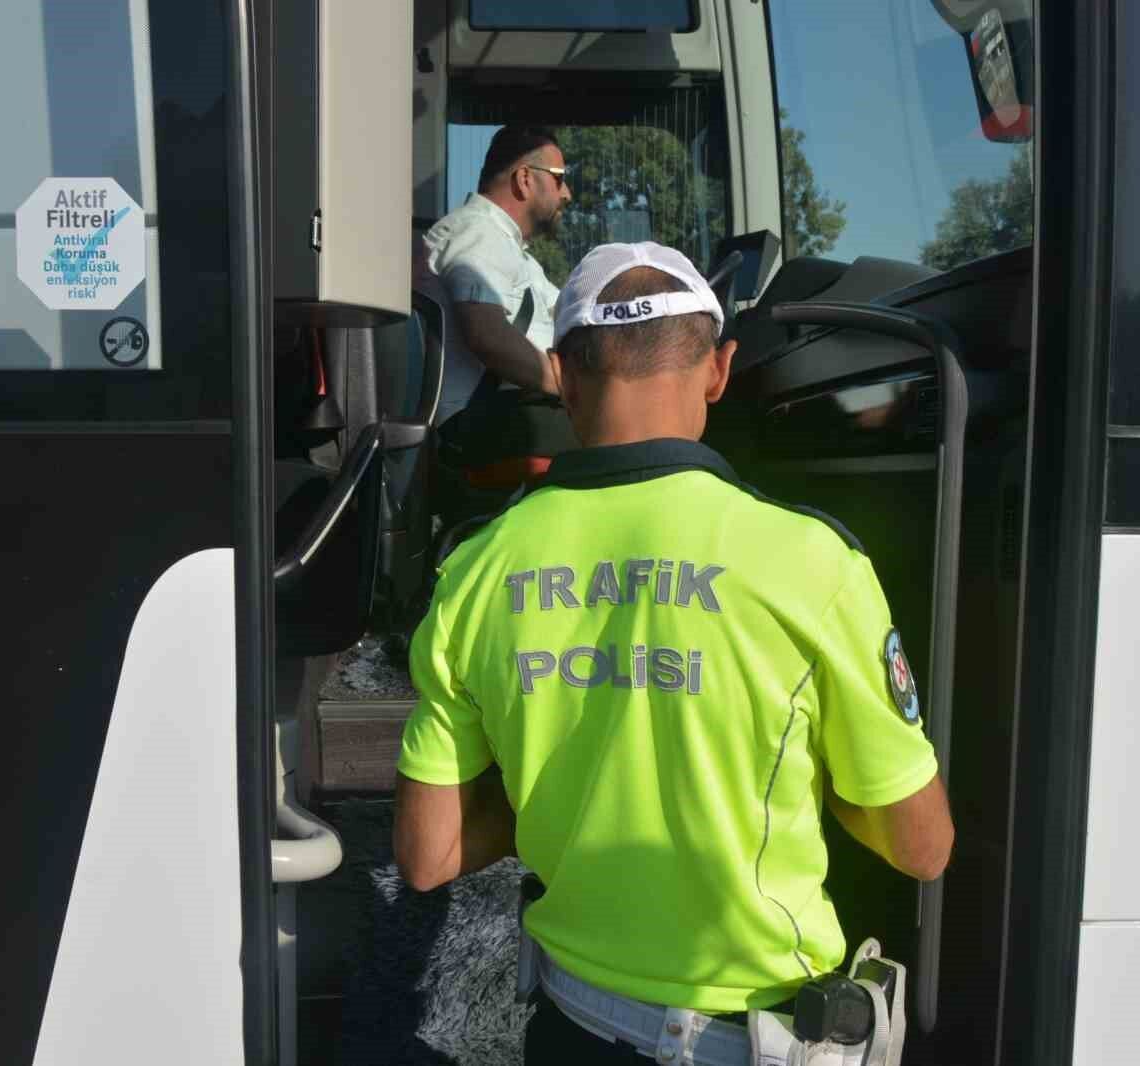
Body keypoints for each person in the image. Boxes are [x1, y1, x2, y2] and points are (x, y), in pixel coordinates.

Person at [392, 241, 954, 1062]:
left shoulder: (476, 569)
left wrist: (573, 800)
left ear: (562, 373)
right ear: (719, 371)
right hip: (750, 1038)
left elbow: (427, 856)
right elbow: (922, 846)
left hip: (568, 1029)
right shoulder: (813, 561)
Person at [419, 125, 572, 423]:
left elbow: (568, 313)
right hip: (480, 429)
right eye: (559, 179)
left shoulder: (518, 256)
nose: (566, 193)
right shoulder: (478, 231)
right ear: (525, 179)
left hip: (511, 418)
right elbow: (486, 334)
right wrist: (573, 387)